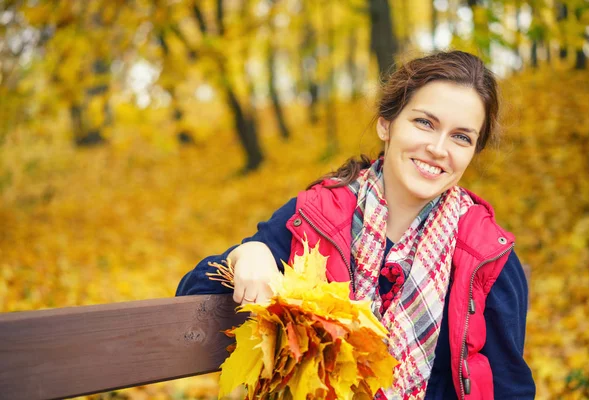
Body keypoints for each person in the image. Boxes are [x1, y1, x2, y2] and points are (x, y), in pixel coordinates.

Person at [176, 51, 535, 399]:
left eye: (461, 137)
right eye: (425, 122)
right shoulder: (317, 218)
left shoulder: (486, 253)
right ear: (386, 124)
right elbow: (191, 301)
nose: (439, 148)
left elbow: (510, 388)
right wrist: (248, 252)